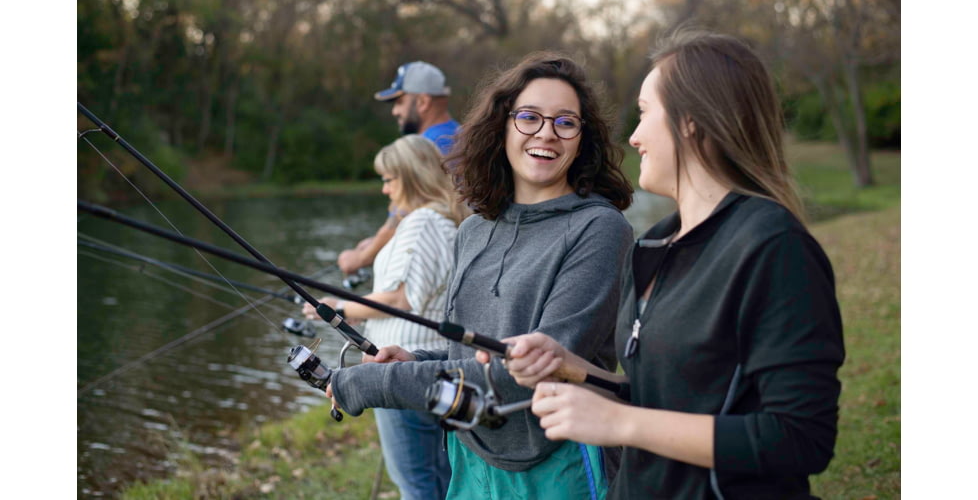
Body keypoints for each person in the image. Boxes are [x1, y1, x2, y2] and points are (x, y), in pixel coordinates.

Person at [496, 30, 846, 499]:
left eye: (644, 112)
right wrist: (572, 368)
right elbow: (659, 396)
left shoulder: (772, 247)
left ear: (692, 122)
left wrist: (623, 423)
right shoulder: (654, 244)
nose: (634, 137)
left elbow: (800, 440)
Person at [326, 52, 634, 499]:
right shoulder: (473, 230)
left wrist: (375, 384)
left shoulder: (599, 229)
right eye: (529, 117)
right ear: (503, 125)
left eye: (565, 122)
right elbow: (473, 352)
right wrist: (417, 361)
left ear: (582, 139)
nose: (547, 133)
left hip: (558, 461)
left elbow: (533, 372)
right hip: (470, 453)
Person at [304, 134, 466, 500]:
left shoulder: (424, 222)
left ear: (410, 177)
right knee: (440, 477)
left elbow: (400, 297)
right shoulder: (441, 221)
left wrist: (338, 309)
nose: (384, 189)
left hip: (404, 367)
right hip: (426, 365)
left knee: (416, 482)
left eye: (389, 179)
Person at [337, 61, 460, 277]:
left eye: (400, 102)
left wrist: (360, 259)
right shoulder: (461, 135)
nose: (395, 111)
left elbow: (405, 213)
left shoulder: (424, 149)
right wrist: (377, 242)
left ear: (423, 101)